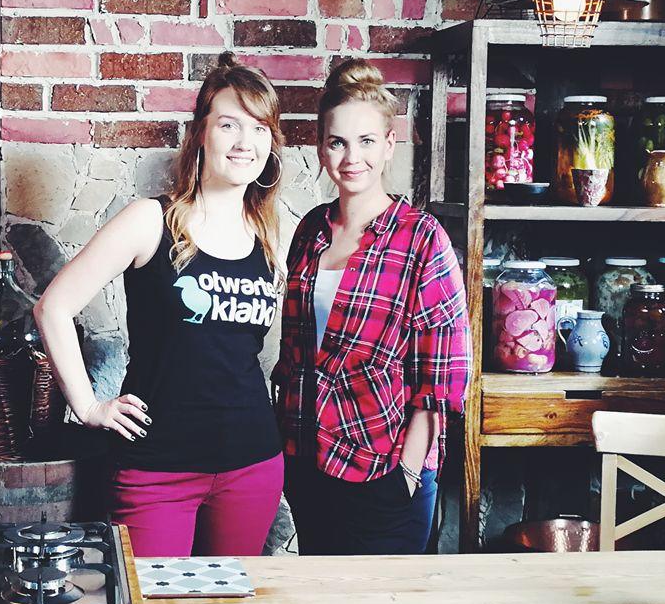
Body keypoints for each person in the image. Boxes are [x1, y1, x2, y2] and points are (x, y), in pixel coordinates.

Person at [34, 53, 285, 558]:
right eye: (229, 124)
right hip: (156, 468)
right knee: (153, 603)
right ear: (201, 134)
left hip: (251, 465)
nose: (245, 142)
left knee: (230, 601)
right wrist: (88, 407)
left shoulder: (270, 235)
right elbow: (52, 308)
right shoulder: (150, 220)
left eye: (259, 128)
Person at [273, 58, 471, 554]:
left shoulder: (421, 237)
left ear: (388, 144)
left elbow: (442, 370)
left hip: (384, 464)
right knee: (320, 593)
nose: (351, 157)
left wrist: (409, 470)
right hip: (308, 459)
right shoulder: (310, 230)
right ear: (320, 147)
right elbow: (295, 351)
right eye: (337, 142)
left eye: (365, 141)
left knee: (385, 599)